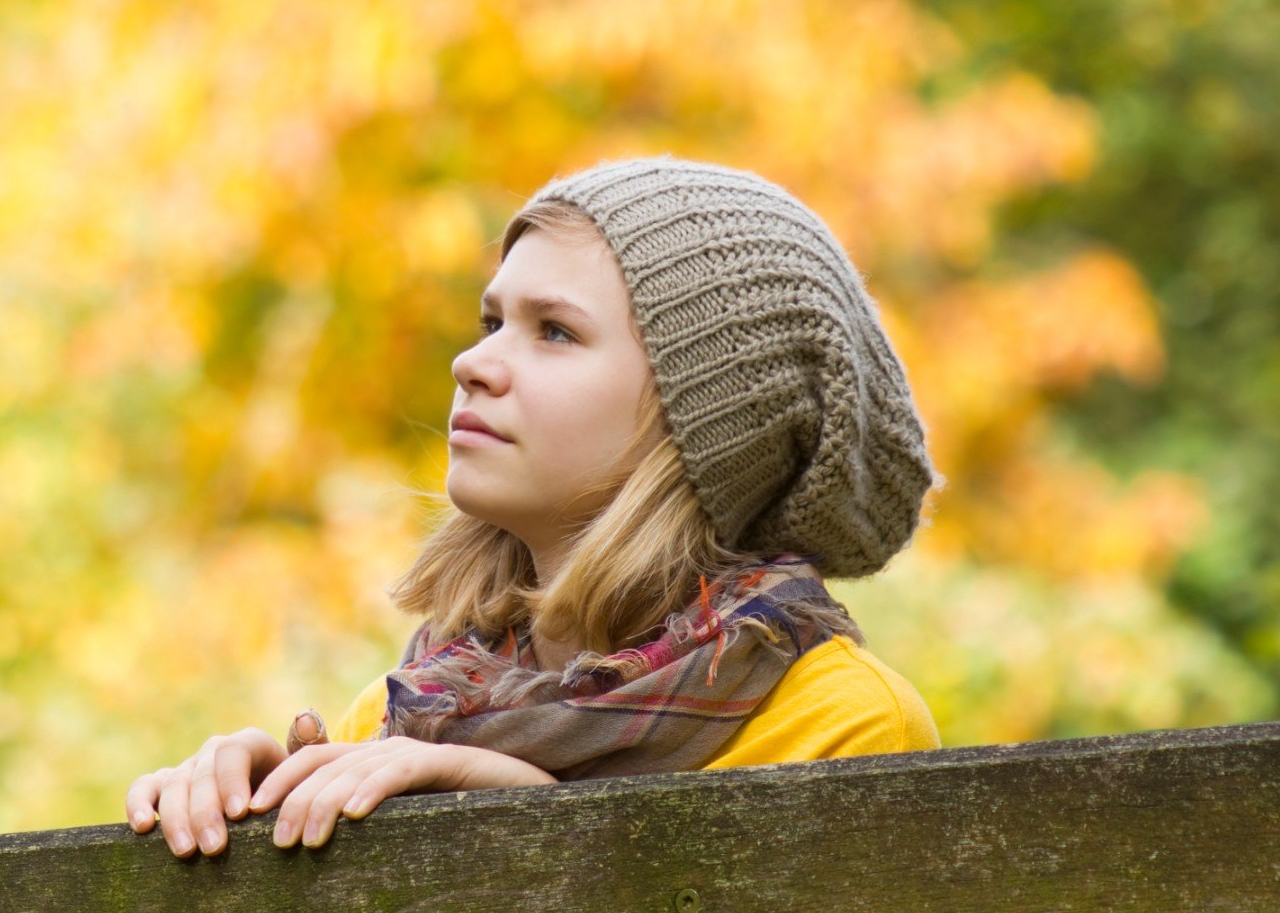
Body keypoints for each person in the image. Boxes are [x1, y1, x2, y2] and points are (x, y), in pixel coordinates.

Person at [125, 156, 941, 860]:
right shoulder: (399, 716)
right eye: (492, 320)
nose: (472, 361)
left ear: (706, 424)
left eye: (553, 331)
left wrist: (524, 811)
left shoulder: (841, 726)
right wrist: (249, 821)